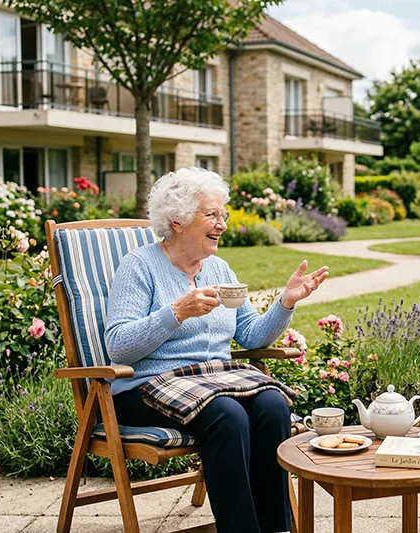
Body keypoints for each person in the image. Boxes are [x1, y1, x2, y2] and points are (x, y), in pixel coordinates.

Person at [105, 167, 328, 533]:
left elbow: (252, 336)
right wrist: (177, 312)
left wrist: (286, 302)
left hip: (215, 382)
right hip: (147, 386)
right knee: (227, 415)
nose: (222, 224)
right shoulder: (140, 266)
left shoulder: (219, 269)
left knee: (272, 406)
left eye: (222, 215)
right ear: (177, 220)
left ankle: (277, 528)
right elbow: (118, 346)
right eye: (211, 214)